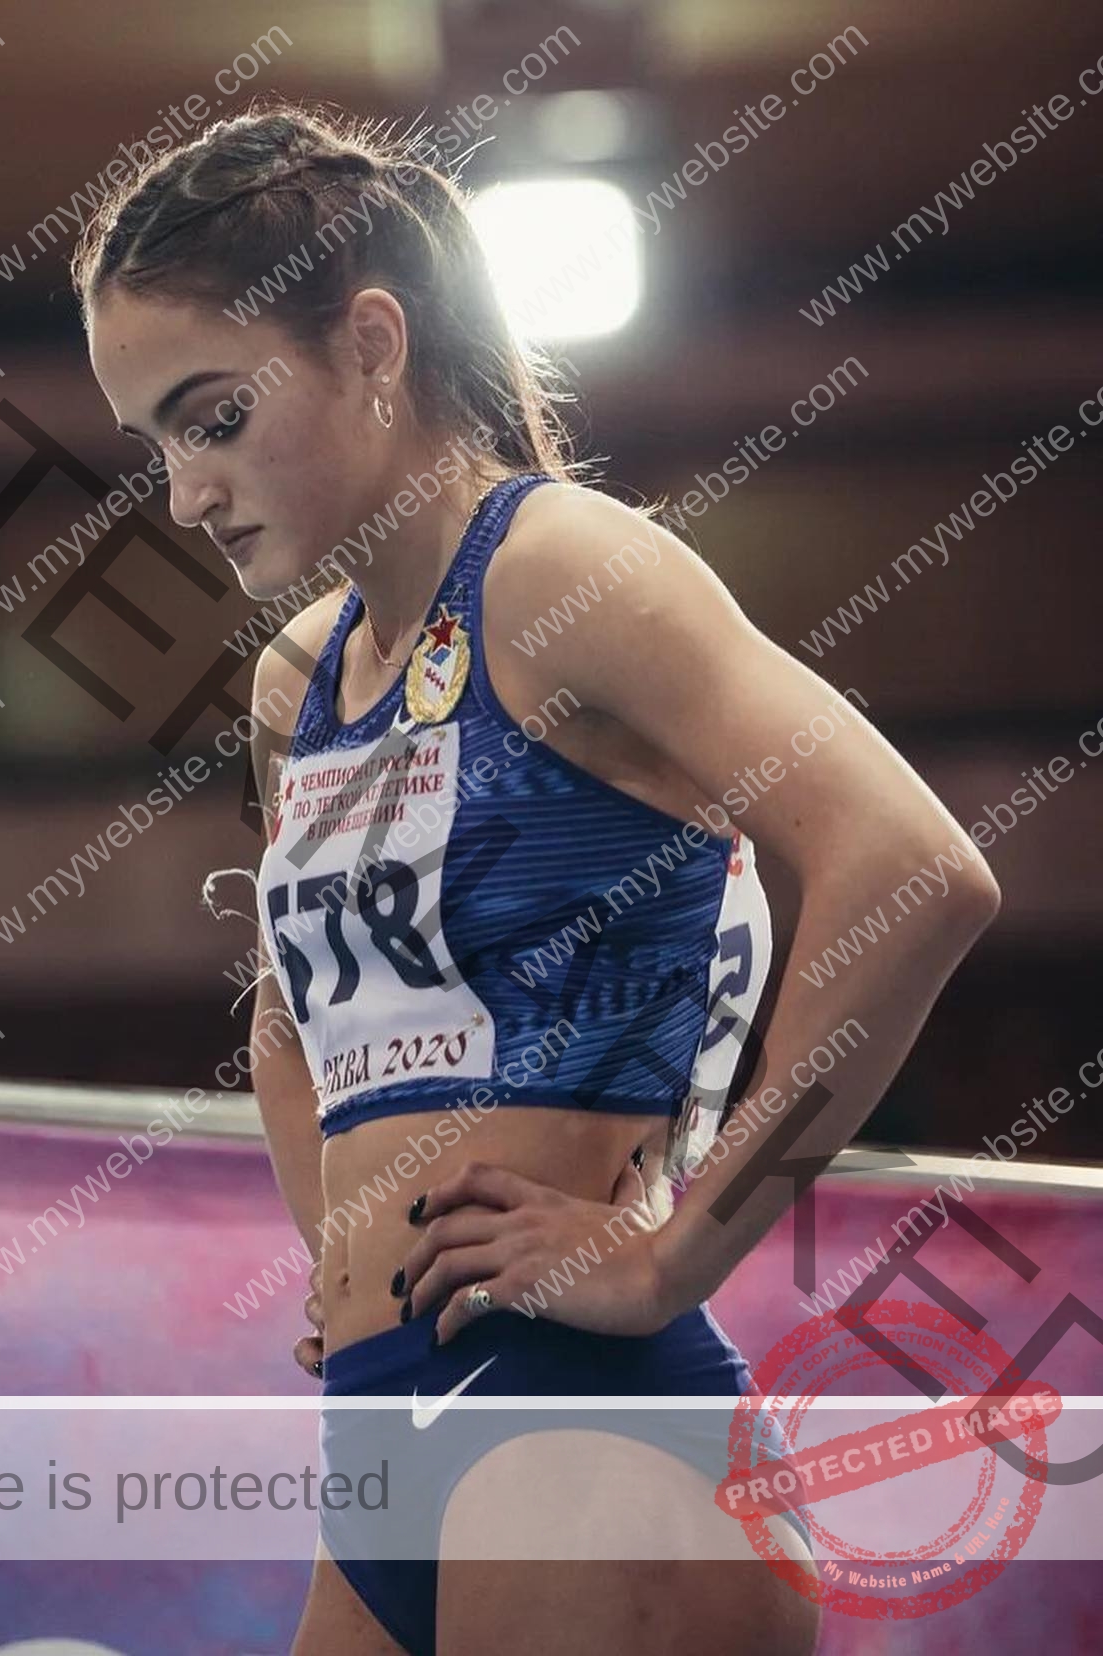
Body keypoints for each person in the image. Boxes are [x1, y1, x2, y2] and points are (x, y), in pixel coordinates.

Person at [72, 101, 1000, 1656]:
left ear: (372, 344)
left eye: (213, 417)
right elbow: (292, 1028)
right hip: (390, 1437)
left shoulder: (560, 567)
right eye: (152, 443)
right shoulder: (302, 680)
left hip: (590, 1424)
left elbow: (918, 870)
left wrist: (676, 1254)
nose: (182, 494)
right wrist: (345, 1262)